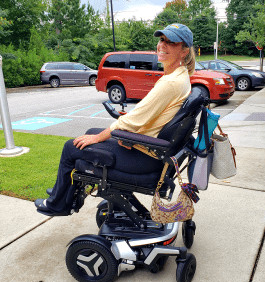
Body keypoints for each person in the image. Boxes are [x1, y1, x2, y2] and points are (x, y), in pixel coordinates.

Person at [35, 23, 196, 216]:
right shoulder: (180, 77)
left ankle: (58, 204)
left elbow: (134, 119)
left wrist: (119, 133)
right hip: (152, 150)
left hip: (146, 159)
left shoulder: (171, 82)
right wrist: (127, 133)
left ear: (184, 51)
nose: (162, 45)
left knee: (71, 147)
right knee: (89, 133)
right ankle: (64, 192)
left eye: (171, 42)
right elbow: (150, 118)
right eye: (162, 40)